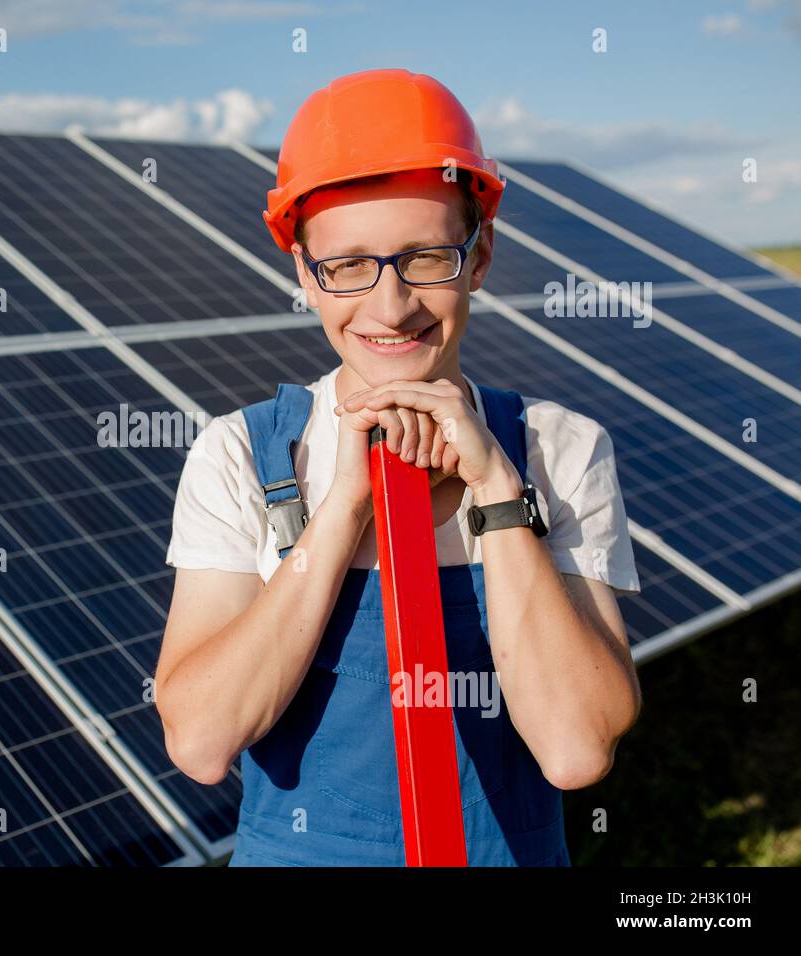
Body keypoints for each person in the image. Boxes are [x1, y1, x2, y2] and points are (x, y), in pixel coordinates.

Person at [154, 68, 643, 866]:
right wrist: (344, 508)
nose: (389, 307)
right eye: (347, 266)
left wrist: (499, 492)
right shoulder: (239, 455)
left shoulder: (558, 450)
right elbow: (203, 741)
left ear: (480, 256)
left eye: (424, 258)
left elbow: (576, 749)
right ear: (305, 275)